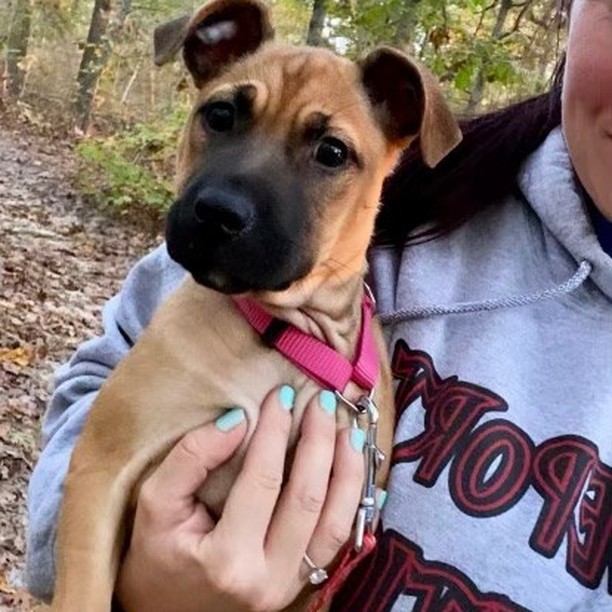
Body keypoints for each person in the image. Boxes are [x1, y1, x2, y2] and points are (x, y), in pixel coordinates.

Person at [26, 0, 611, 609]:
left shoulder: (368, 364)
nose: (233, 194)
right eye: (222, 117)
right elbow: (92, 444)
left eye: (329, 154)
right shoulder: (199, 297)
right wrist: (140, 584)